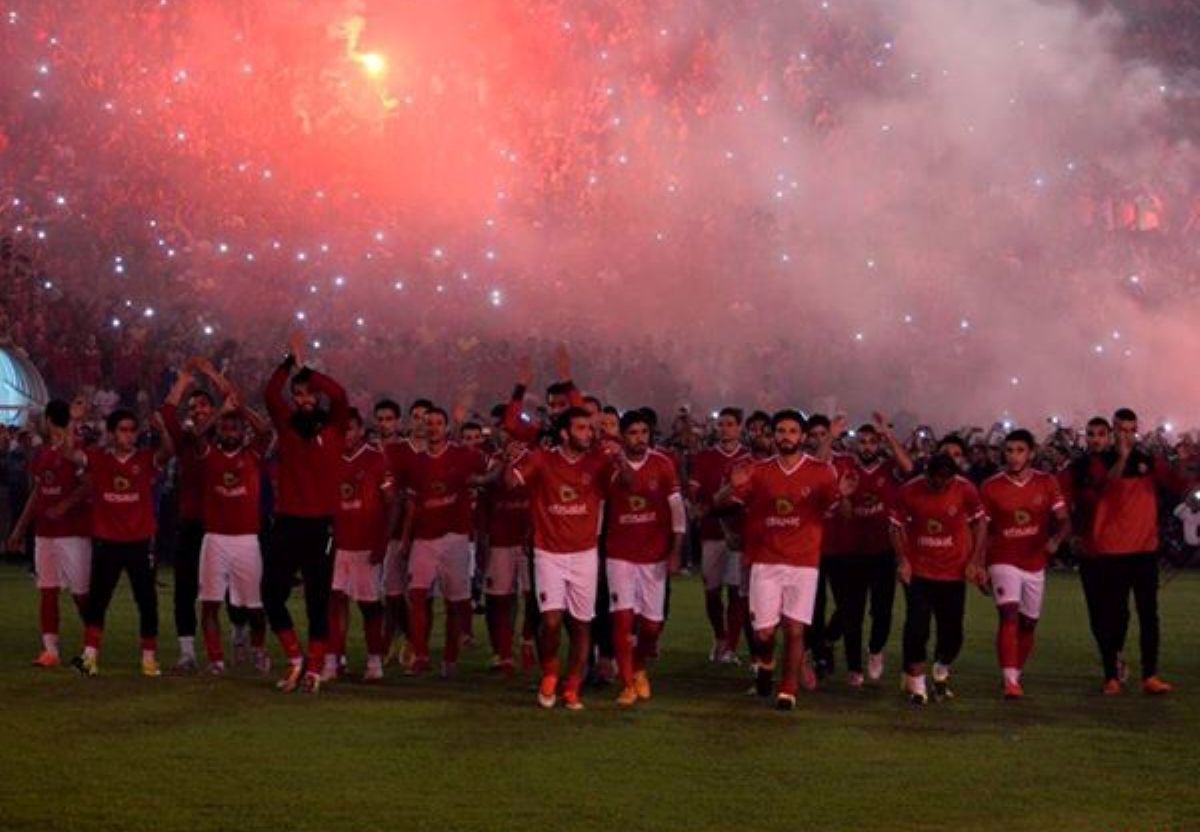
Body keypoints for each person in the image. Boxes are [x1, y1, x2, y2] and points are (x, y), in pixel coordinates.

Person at [718, 410, 848, 711]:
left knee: (794, 629)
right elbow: (720, 503)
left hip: (804, 562)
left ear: (802, 437)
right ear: (773, 435)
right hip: (765, 561)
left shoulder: (822, 472)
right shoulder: (758, 470)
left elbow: (839, 512)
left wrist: (844, 496)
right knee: (763, 633)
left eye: (792, 431)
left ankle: (788, 689)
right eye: (781, 431)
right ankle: (765, 662)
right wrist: (732, 485)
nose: (786, 436)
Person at [508, 407, 615, 710]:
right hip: (549, 552)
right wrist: (510, 459)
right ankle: (551, 675)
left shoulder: (598, 461)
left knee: (582, 625)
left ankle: (572, 688)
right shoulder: (543, 458)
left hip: (584, 553)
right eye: (581, 428)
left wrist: (618, 457)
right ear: (565, 432)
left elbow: (626, 487)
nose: (588, 434)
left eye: (590, 429)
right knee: (551, 621)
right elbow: (510, 482)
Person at [262, 332, 350, 693]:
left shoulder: (335, 426)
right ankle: (296, 658)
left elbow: (340, 395)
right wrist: (289, 363)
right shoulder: (286, 424)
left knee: (318, 597)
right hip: (288, 522)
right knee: (270, 593)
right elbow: (270, 393)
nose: (304, 399)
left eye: (309, 393)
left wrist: (307, 370)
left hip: (322, 526)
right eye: (298, 395)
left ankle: (314, 670)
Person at [1079, 408, 1184, 694]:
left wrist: (1184, 466)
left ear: (1137, 430)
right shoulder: (1100, 462)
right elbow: (1103, 486)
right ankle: (1111, 676)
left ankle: (1150, 675)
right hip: (1112, 552)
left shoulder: (1149, 463)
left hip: (1144, 551)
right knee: (1116, 615)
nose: (1126, 435)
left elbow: (1178, 483)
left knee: (1149, 614)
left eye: (1130, 430)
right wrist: (1123, 457)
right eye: (1121, 430)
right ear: (1113, 431)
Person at [72, 408, 174, 677]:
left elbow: (168, 451)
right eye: (122, 430)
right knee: (98, 600)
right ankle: (90, 657)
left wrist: (162, 427)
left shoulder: (145, 458)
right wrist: (74, 420)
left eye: (132, 430)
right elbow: (69, 454)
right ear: (112, 433)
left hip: (140, 541)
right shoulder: (99, 459)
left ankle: (149, 658)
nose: (128, 435)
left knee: (147, 600)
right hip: (107, 540)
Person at [822, 414, 913, 686]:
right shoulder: (844, 465)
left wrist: (888, 434)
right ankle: (853, 667)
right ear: (854, 444)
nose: (867, 447)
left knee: (882, 611)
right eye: (863, 442)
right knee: (852, 612)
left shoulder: (888, 468)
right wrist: (830, 435)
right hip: (851, 553)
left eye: (873, 442)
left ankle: (875, 649)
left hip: (883, 552)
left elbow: (908, 466)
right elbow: (818, 462)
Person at [889, 452, 987, 705]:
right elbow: (895, 526)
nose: (941, 486)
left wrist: (975, 561)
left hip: (954, 571)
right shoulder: (909, 491)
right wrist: (903, 562)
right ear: (927, 475)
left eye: (947, 481)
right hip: (919, 571)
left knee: (952, 631)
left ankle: (941, 668)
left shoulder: (966, 490)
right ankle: (918, 685)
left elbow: (980, 523)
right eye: (936, 481)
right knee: (917, 627)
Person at [395, 406, 486, 676]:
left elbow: (487, 471)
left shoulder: (462, 455)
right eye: (429, 423)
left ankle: (450, 658)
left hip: (455, 537)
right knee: (418, 595)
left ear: (446, 428)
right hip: (424, 538)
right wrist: (405, 537)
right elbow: (412, 504)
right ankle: (421, 655)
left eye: (438, 423)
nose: (433, 427)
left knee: (455, 602)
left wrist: (487, 478)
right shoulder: (417, 462)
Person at [980, 429, 1070, 698]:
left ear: (1031, 453)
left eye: (1020, 450)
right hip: (1003, 559)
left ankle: (1015, 673)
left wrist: (1055, 539)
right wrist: (979, 563)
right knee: (1008, 614)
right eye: (1009, 450)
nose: (1014, 456)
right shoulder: (991, 487)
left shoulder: (1047, 482)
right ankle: (1009, 680)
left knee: (1029, 623)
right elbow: (982, 529)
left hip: (1034, 561)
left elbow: (1064, 519)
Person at [604, 410, 685, 707]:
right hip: (620, 554)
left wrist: (676, 551)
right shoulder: (610, 466)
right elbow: (622, 484)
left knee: (651, 627)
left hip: (654, 555)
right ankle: (626, 684)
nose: (640, 438)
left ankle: (638, 666)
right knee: (623, 619)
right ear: (623, 436)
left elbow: (677, 511)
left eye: (644, 432)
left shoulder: (663, 464)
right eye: (633, 433)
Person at [5, 399, 92, 667]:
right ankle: (50, 650)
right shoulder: (42, 453)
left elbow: (89, 483)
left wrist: (65, 505)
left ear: (49, 421)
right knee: (47, 590)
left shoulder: (77, 448)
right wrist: (19, 528)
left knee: (81, 594)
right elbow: (38, 492)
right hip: (45, 534)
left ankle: (92, 645)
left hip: (73, 533)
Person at [196, 396, 272, 675]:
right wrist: (221, 411)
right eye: (225, 429)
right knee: (210, 603)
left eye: (235, 428)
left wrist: (240, 409)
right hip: (214, 538)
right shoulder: (209, 454)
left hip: (246, 539)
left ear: (242, 432)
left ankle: (258, 651)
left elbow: (266, 431)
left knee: (254, 605)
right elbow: (197, 433)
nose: (230, 433)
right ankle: (216, 660)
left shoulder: (252, 454)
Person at [326, 408, 397, 682]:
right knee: (335, 602)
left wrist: (384, 540)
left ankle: (374, 662)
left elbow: (392, 502)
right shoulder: (330, 460)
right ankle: (333, 661)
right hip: (340, 544)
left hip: (368, 545)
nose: (345, 435)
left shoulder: (376, 459)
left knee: (369, 606)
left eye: (350, 429)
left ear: (360, 431)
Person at [687, 406, 750, 663]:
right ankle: (720, 636)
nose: (724, 429)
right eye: (721, 424)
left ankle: (729, 647)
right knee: (712, 591)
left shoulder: (749, 458)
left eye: (730, 424)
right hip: (712, 532)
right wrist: (698, 506)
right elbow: (693, 491)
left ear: (739, 427)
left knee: (736, 590)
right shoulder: (705, 457)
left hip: (738, 535)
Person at [478, 438, 534, 675]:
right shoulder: (493, 464)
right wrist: (483, 540)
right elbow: (484, 504)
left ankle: (527, 642)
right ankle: (503, 653)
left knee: (533, 599)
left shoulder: (538, 460)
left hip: (530, 542)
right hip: (500, 541)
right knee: (499, 599)